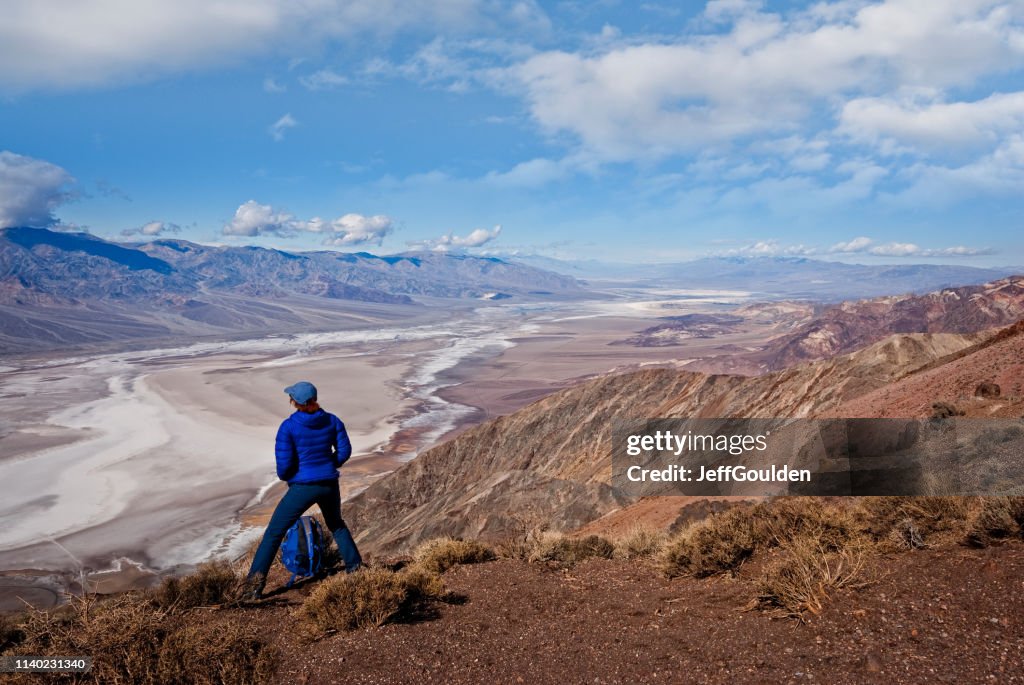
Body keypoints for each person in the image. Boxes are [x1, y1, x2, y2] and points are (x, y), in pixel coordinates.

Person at [244, 380, 362, 599]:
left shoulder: (288, 427)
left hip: (303, 487)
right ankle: (356, 570)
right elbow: (344, 451)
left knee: (273, 534)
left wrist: (294, 478)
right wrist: (328, 466)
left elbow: (284, 467)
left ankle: (252, 589)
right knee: (336, 525)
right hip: (329, 484)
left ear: (295, 402)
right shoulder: (332, 420)